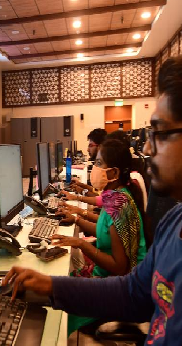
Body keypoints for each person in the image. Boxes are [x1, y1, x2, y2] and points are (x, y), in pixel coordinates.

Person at [2, 50, 182, 345]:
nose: (149, 150)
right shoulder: (178, 219)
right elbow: (135, 293)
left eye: (160, 133)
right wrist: (51, 286)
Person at [51, 138, 148, 334]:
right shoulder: (115, 196)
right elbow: (104, 232)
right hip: (109, 278)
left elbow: (119, 267)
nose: (94, 168)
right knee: (60, 281)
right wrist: (76, 219)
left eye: (98, 163)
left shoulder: (120, 205)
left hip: (120, 290)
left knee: (58, 310)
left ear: (114, 173)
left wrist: (81, 243)